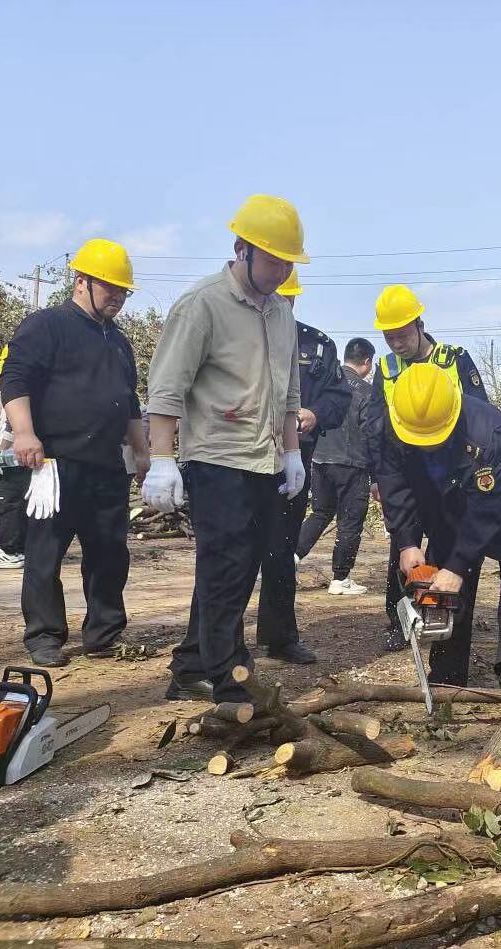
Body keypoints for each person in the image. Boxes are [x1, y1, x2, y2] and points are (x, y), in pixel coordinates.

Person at [144, 194, 308, 702]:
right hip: (216, 460)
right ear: (242, 249)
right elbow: (166, 389)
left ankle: (191, 664)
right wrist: (162, 460)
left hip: (264, 459)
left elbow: (289, 394)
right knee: (226, 568)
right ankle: (229, 677)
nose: (282, 271)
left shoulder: (281, 314)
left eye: (289, 262)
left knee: (239, 566)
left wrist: (292, 452)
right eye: (274, 260)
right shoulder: (202, 305)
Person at [0, 239, 149, 667]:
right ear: (81, 281)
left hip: (107, 465)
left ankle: (104, 632)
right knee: (45, 555)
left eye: (123, 291)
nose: (118, 297)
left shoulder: (118, 342)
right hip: (55, 464)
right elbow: (14, 379)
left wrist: (142, 453)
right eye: (110, 288)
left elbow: (129, 401)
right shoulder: (47, 326)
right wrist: (25, 433)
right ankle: (44, 636)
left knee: (109, 553)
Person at [375, 363, 501, 696]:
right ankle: (447, 670)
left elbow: (487, 510)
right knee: (443, 583)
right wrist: (406, 541)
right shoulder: (393, 424)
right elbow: (394, 485)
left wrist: (458, 566)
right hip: (446, 502)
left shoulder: (489, 435)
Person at [363, 284, 490, 652]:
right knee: (404, 548)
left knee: (449, 548)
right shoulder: (386, 368)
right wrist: (377, 477)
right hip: (404, 474)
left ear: (419, 324)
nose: (396, 344)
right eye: (389, 337)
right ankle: (399, 620)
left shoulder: (454, 360)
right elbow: (375, 426)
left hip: (451, 476)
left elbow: (480, 414)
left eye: (402, 335)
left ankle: (445, 615)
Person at [252, 269, 352, 663]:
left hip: (292, 462)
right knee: (234, 552)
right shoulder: (238, 332)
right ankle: (217, 645)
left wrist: (315, 413)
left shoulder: (318, 346)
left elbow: (339, 398)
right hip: (239, 457)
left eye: (287, 298)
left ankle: (279, 637)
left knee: (281, 549)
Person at [297, 337, 376, 594]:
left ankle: (291, 557)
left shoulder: (326, 384)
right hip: (352, 464)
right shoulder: (367, 392)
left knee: (320, 512)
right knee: (350, 521)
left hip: (320, 459)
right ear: (367, 362)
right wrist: (377, 473)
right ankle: (340, 579)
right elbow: (371, 432)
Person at [0, 354, 28, 570]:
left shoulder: (12, 398)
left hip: (9, 461)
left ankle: (11, 551)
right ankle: (20, 549)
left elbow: (10, 429)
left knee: (7, 505)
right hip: (18, 460)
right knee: (19, 505)